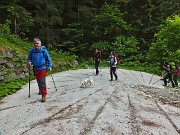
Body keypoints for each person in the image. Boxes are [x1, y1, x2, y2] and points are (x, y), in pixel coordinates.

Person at [28, 37, 52, 102]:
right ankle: (41, 90)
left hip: (43, 68)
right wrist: (29, 62)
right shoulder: (31, 51)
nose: (36, 45)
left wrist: (50, 66)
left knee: (42, 81)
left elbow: (48, 60)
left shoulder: (44, 51)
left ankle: (44, 95)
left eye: (37, 43)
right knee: (38, 80)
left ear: (40, 44)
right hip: (35, 68)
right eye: (35, 43)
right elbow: (29, 58)